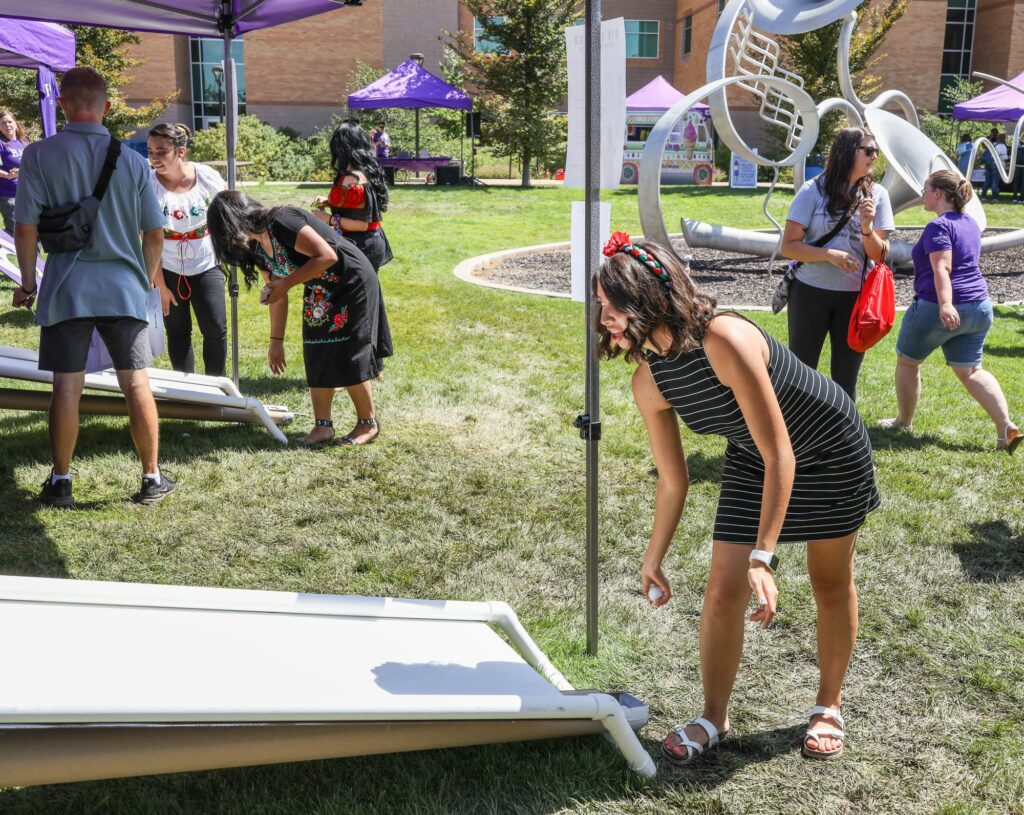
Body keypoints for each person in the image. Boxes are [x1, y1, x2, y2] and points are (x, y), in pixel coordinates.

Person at [596, 232, 879, 764]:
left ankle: (828, 705)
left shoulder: (723, 339)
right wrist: (653, 558)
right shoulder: (648, 381)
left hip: (828, 448)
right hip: (755, 457)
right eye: (601, 304)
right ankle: (713, 716)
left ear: (648, 300)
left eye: (613, 304)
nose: (605, 316)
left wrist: (764, 555)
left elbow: (784, 456)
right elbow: (673, 480)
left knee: (830, 581)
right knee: (722, 589)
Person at [11, 67, 176, 507]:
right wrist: (143, 277)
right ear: (106, 107)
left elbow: (25, 229)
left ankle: (61, 480)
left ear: (62, 104)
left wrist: (28, 282)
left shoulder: (38, 155)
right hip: (123, 286)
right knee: (136, 383)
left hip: (66, 288)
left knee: (67, 388)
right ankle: (151, 478)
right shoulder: (134, 160)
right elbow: (154, 233)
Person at [207, 191, 391, 446]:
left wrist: (287, 283)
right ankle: (322, 426)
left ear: (233, 220)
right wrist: (276, 341)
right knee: (316, 349)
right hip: (320, 287)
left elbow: (327, 256)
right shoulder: (255, 247)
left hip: (352, 280)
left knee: (349, 349)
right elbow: (277, 295)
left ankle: (367, 423)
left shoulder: (282, 220)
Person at [879, 171, 1019, 454]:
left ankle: (903, 421)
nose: (922, 194)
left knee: (908, 362)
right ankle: (1005, 427)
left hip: (939, 306)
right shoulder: (970, 223)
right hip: (980, 306)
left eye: (925, 189)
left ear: (939, 194)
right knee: (970, 371)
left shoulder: (938, 227)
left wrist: (945, 304)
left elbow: (942, 267)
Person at [781, 127, 893, 401]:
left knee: (846, 377)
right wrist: (829, 255)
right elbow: (789, 246)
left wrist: (867, 228)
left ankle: (843, 439)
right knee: (802, 372)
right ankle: (797, 433)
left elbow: (880, 255)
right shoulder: (813, 191)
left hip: (855, 298)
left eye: (876, 151)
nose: (874, 156)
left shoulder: (878, 195)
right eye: (868, 150)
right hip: (810, 293)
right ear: (846, 152)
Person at [147, 123, 228, 377]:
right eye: (150, 151)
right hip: (167, 269)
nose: (154, 158)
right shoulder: (148, 185)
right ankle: (187, 389)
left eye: (162, 151)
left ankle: (215, 386)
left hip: (206, 264)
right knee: (178, 331)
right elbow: (147, 239)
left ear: (180, 151)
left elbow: (229, 213)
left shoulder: (206, 176)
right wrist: (160, 285)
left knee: (216, 329)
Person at [313, 121, 393, 272]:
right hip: (360, 244)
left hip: (361, 247)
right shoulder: (360, 172)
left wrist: (327, 219)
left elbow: (361, 224)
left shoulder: (355, 179)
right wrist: (329, 202)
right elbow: (354, 205)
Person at [0, 108, 28, 234]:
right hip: (9, 195)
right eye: (3, 123)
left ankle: (34, 254)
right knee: (16, 232)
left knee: (31, 232)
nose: (7, 125)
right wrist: (7, 175)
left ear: (15, 123)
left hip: (28, 195)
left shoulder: (25, 143)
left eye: (9, 122)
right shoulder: (1, 144)